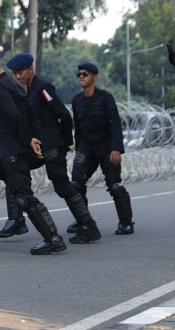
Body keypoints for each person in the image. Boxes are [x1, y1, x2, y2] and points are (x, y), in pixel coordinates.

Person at [0, 48, 66, 255]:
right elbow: (30, 115)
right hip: (6, 152)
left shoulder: (1, 87)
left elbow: (15, 116)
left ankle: (53, 238)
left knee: (23, 197)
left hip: (13, 152)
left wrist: (29, 140)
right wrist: (34, 139)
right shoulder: (12, 85)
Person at [1, 52, 101, 244]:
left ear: (31, 69)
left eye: (21, 72)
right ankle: (17, 220)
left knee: (62, 186)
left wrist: (66, 141)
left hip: (53, 145)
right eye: (15, 74)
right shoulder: (29, 91)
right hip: (40, 146)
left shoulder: (42, 88)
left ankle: (89, 226)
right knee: (14, 173)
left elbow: (63, 114)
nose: (18, 77)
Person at [68, 62, 134, 235]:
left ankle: (126, 223)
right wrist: (78, 151)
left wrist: (117, 149)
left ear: (94, 77)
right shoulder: (76, 100)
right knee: (75, 184)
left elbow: (116, 125)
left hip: (107, 147)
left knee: (115, 186)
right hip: (86, 148)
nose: (81, 76)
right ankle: (83, 220)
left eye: (85, 74)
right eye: (79, 74)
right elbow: (79, 129)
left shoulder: (106, 98)